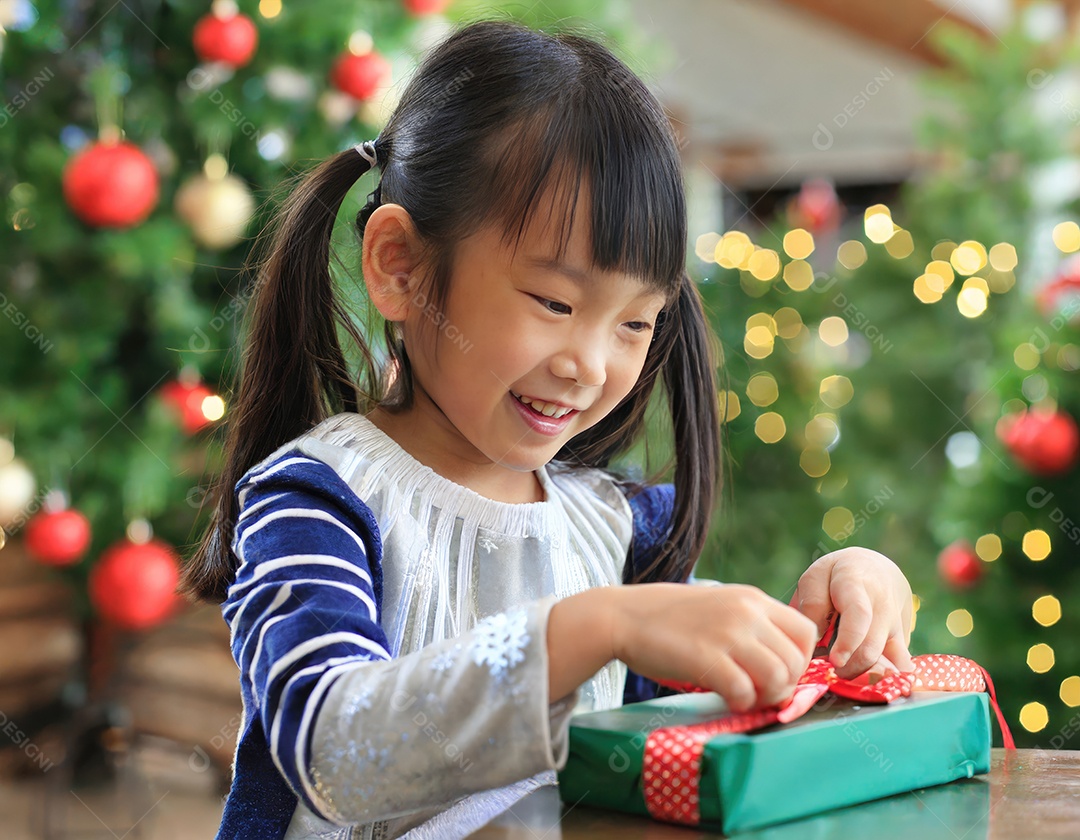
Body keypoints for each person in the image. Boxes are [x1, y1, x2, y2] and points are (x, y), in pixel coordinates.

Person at [181, 19, 914, 840]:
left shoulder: (613, 528)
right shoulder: (318, 501)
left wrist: (828, 611)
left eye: (636, 323)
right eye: (555, 304)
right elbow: (334, 754)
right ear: (401, 266)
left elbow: (716, 688)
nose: (590, 364)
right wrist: (594, 628)